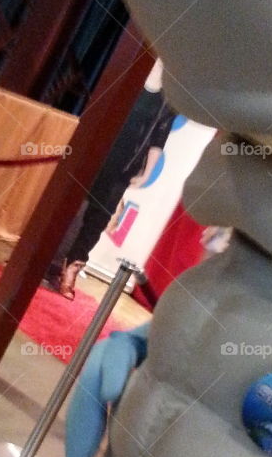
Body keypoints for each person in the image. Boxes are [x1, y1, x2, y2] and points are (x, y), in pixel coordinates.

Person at [43, 64, 174, 299]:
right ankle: (41, 258)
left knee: (99, 217)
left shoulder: (170, 93)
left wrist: (146, 172)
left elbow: (159, 136)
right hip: (95, 152)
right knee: (69, 205)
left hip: (125, 166)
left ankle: (71, 268)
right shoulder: (129, 69)